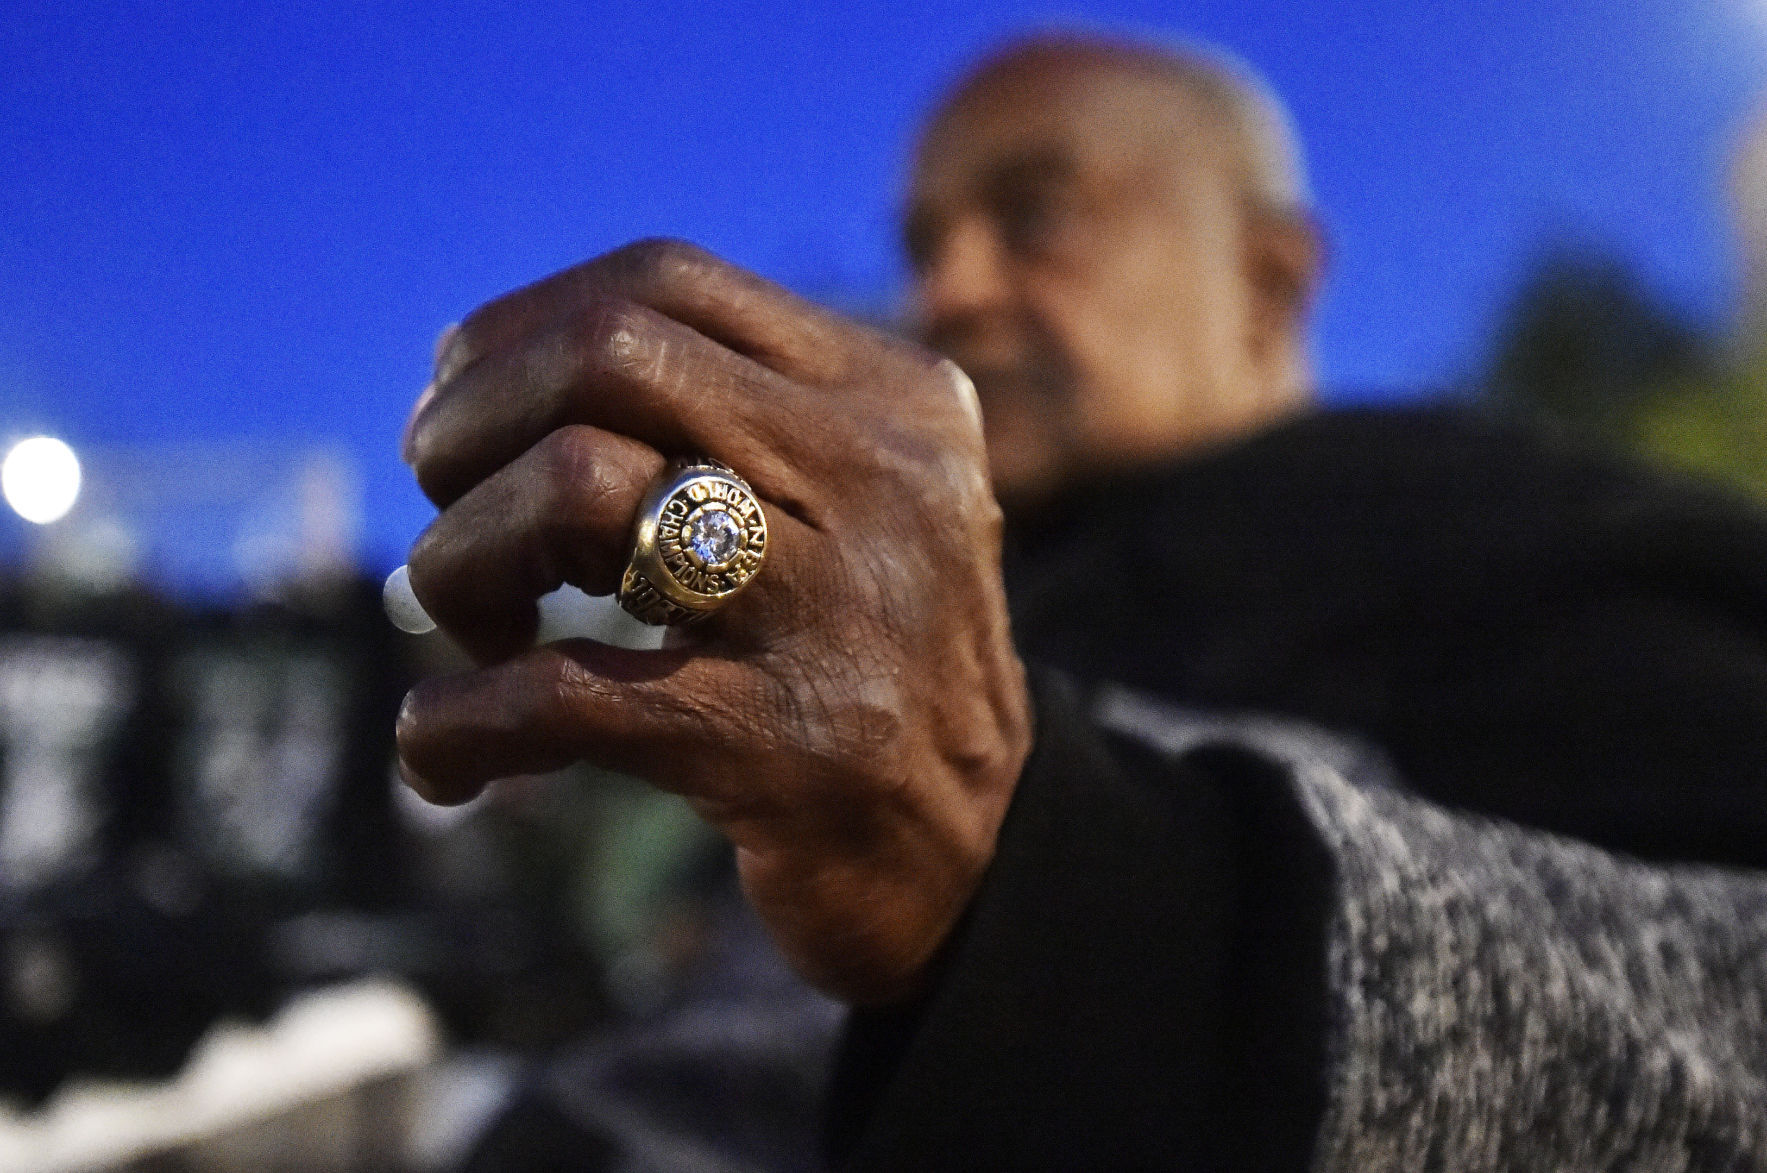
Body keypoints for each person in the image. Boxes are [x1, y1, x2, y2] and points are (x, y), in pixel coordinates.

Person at [399, 31, 1767, 1172]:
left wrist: (1059, 877)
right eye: (926, 244)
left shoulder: (1504, 530)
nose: (949, 292)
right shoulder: (945, 603)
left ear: (1271, 278)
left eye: (1035, 218)